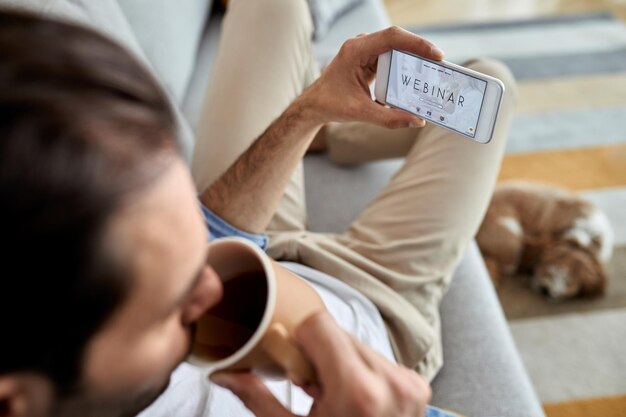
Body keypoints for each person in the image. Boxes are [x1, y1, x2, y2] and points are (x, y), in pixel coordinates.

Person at [0, 2, 517, 417]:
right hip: (382, 301)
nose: (215, 283)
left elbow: (215, 235)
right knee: (492, 85)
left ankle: (330, 122)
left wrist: (309, 110)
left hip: (281, 241)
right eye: (166, 311)